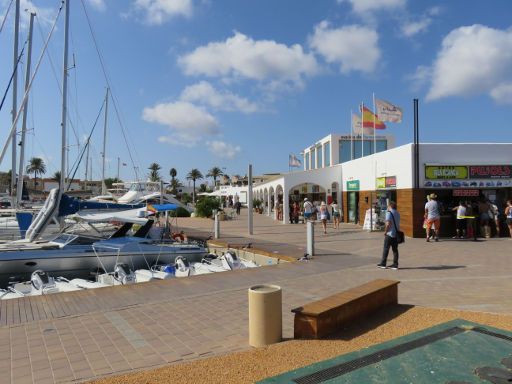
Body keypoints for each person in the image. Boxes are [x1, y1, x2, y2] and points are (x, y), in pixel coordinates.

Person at [377, 201, 400, 270]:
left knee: (386, 249)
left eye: (388, 206)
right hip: (396, 234)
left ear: (390, 206)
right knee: (395, 250)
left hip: (389, 234)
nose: (387, 207)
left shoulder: (389, 213)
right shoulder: (397, 213)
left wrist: (385, 231)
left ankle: (383, 263)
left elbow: (388, 224)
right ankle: (395, 264)